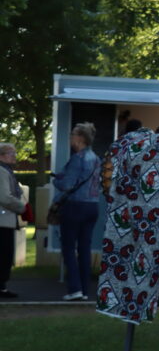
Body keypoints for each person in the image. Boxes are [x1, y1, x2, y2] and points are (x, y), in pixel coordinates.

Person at [53, 123, 101, 302]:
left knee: (68, 247)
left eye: (73, 134)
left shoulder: (77, 158)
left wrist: (57, 181)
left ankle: (74, 288)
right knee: (84, 248)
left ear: (80, 138)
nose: (71, 137)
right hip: (92, 206)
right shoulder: (96, 158)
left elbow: (66, 185)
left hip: (75, 206)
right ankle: (85, 289)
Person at [0, 143, 27, 299]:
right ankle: (1, 287)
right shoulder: (2, 172)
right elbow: (4, 197)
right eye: (11, 153)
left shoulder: (6, 171)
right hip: (3, 220)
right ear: (2, 155)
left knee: (5, 255)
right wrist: (22, 207)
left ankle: (2, 286)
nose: (14, 156)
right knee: (4, 255)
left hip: (5, 219)